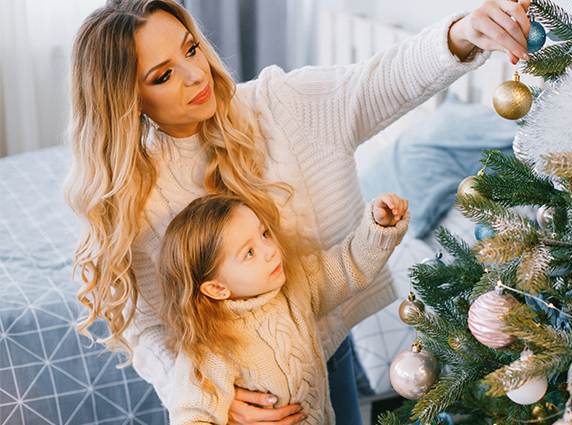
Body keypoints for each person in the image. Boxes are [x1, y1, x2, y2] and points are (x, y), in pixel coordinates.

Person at [63, 0, 532, 423]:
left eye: (191, 48)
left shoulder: (284, 105)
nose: (195, 74)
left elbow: (383, 80)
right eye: (162, 75)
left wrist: (463, 33)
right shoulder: (132, 197)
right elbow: (145, 326)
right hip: (226, 400)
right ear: (127, 99)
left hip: (324, 358)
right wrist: (213, 400)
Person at [158, 192, 408, 424]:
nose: (270, 251)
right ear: (217, 288)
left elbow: (348, 265)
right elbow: (191, 417)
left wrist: (380, 228)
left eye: (264, 234)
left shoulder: (296, 284)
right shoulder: (210, 348)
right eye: (249, 253)